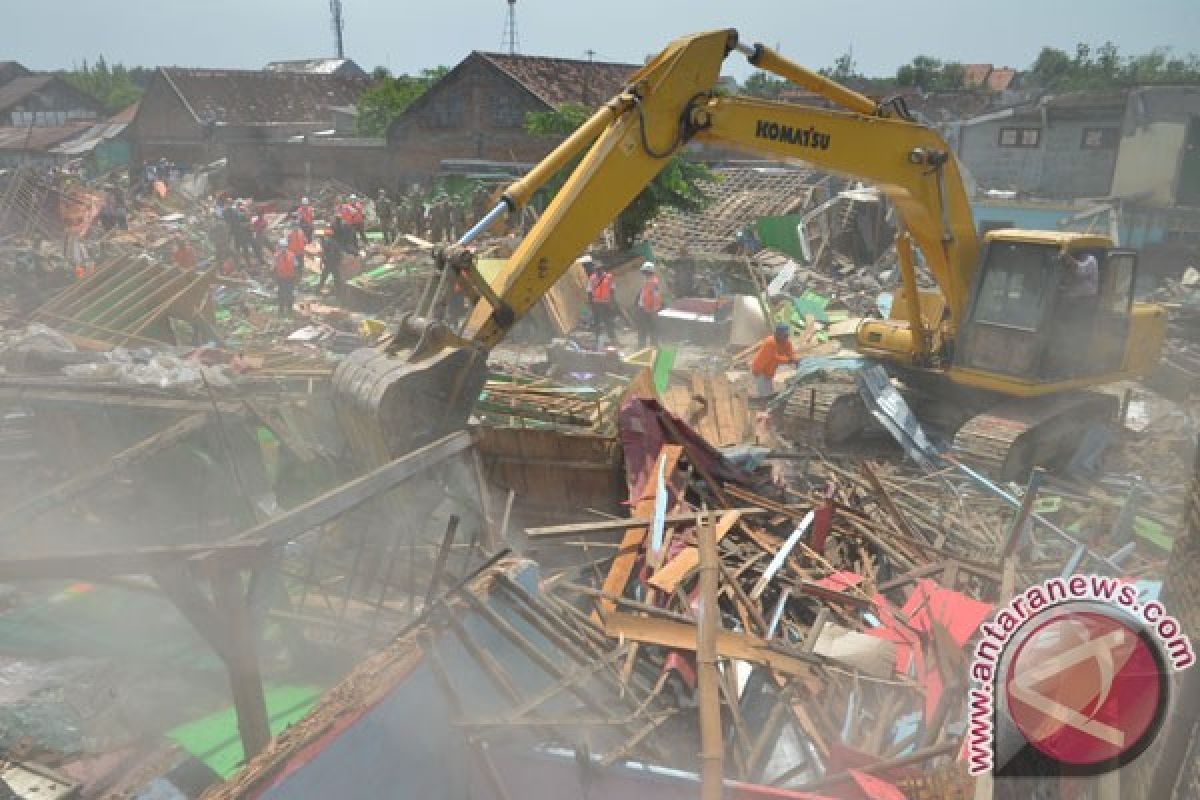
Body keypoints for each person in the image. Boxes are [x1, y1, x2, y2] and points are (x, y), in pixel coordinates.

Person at [750, 323, 798, 399]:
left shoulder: (786, 342)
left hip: (769, 369)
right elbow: (774, 357)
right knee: (765, 394)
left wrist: (795, 359)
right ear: (777, 334)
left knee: (769, 391)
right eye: (784, 335)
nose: (786, 337)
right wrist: (789, 360)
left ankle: (766, 402)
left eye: (787, 335)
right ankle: (763, 405)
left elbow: (791, 353)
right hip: (759, 368)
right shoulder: (770, 342)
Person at [587, 260, 618, 346]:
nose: (598, 271)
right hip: (596, 303)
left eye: (599, 269)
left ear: (602, 268)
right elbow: (589, 291)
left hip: (606, 303)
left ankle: (612, 339)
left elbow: (612, 290)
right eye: (596, 269)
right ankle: (598, 339)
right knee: (597, 322)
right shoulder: (592, 278)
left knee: (608, 321)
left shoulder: (609, 277)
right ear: (595, 270)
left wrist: (612, 302)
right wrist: (590, 304)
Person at [634, 261, 664, 348]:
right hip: (644, 308)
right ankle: (645, 347)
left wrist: (652, 309)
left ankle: (651, 347)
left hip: (649, 309)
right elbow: (643, 293)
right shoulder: (648, 280)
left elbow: (655, 297)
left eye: (644, 271)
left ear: (648, 272)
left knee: (649, 329)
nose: (643, 273)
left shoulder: (653, 282)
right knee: (645, 329)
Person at [274, 238, 297, 316]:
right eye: (281, 247)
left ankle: (288, 309)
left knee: (288, 293)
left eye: (284, 247)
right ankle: (282, 309)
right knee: (282, 293)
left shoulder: (291, 255)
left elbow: (295, 265)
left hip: (289, 277)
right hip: (282, 278)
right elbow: (274, 266)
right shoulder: (277, 256)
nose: (283, 249)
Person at [317, 229, 344, 294]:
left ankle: (318, 290)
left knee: (325, 277)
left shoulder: (330, 243)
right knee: (336, 278)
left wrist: (325, 260)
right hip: (333, 263)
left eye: (325, 236)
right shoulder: (333, 242)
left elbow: (330, 254)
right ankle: (339, 292)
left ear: (327, 236)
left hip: (331, 263)